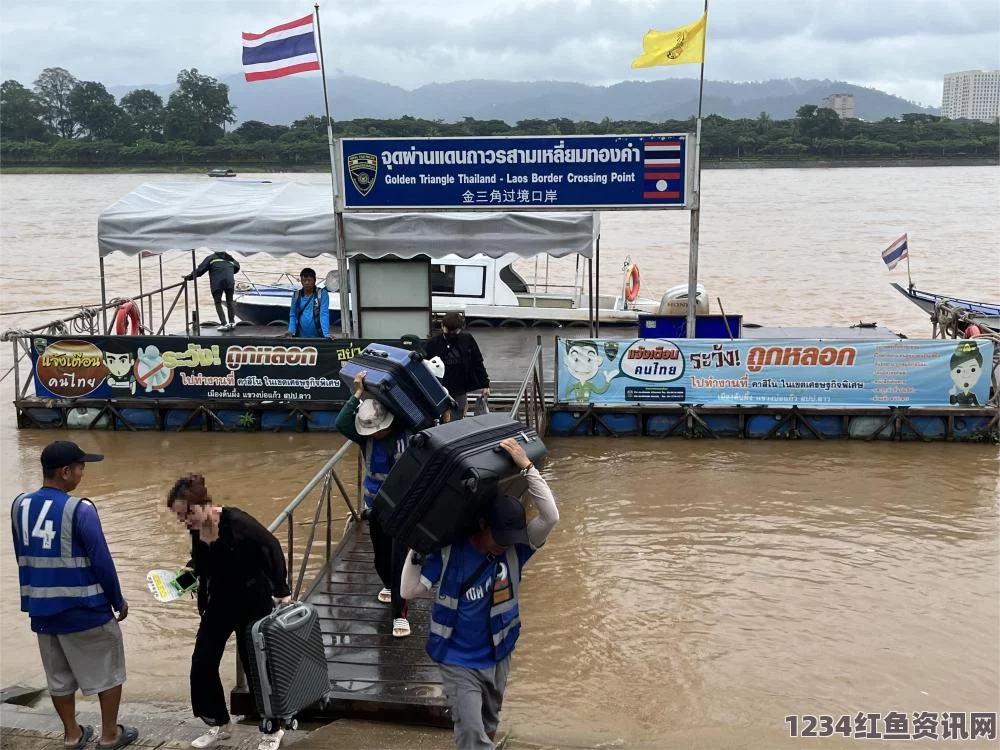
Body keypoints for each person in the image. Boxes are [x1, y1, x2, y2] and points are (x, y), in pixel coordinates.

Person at [400, 439, 559, 749]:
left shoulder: (517, 550)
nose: (504, 544)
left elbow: (550, 517)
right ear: (482, 525)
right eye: (498, 537)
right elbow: (408, 590)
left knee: (489, 722)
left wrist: (528, 468)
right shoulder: (450, 554)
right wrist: (416, 548)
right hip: (457, 659)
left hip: (499, 653)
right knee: (472, 733)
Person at [10, 441, 137, 750]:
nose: (82, 473)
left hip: (42, 612)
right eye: (80, 467)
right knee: (109, 672)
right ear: (65, 472)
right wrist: (117, 600)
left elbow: (21, 555)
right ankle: (109, 735)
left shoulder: (19, 505)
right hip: (85, 608)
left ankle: (72, 736)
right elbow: (102, 561)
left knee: (59, 679)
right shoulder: (79, 509)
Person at [166, 475, 291, 750]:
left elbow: (272, 547)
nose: (186, 521)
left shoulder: (237, 521)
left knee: (256, 667)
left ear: (206, 504)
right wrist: (186, 576)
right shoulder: (196, 529)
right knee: (202, 662)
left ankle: (273, 728)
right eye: (180, 517)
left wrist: (282, 590)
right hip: (218, 603)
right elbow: (201, 563)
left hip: (252, 603)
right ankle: (219, 724)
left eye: (190, 513)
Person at [335, 370, 412, 637]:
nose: (376, 434)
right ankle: (389, 585)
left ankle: (400, 615)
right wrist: (357, 393)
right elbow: (342, 423)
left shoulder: (407, 430)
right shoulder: (365, 438)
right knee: (380, 555)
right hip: (375, 507)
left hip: (402, 506)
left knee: (398, 558)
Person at [424, 312, 490, 419]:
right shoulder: (432, 343)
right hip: (440, 388)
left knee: (458, 416)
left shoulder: (467, 340)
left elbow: (477, 361)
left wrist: (485, 384)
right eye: (448, 330)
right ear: (442, 326)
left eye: (454, 331)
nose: (451, 334)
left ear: (460, 329)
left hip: (459, 388)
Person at [184, 251, 241, 332]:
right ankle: (232, 323)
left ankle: (224, 324)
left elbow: (200, 270)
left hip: (217, 283)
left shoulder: (211, 257)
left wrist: (188, 277)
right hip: (229, 282)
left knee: (218, 302)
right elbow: (237, 267)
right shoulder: (229, 258)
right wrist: (229, 271)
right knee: (230, 301)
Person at [287, 267, 330, 338]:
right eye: (304, 280)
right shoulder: (296, 295)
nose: (307, 283)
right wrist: (290, 331)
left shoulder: (322, 294)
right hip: (300, 336)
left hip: (318, 336)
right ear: (301, 281)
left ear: (314, 281)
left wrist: (326, 334)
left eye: (309, 280)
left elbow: (324, 314)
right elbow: (293, 315)